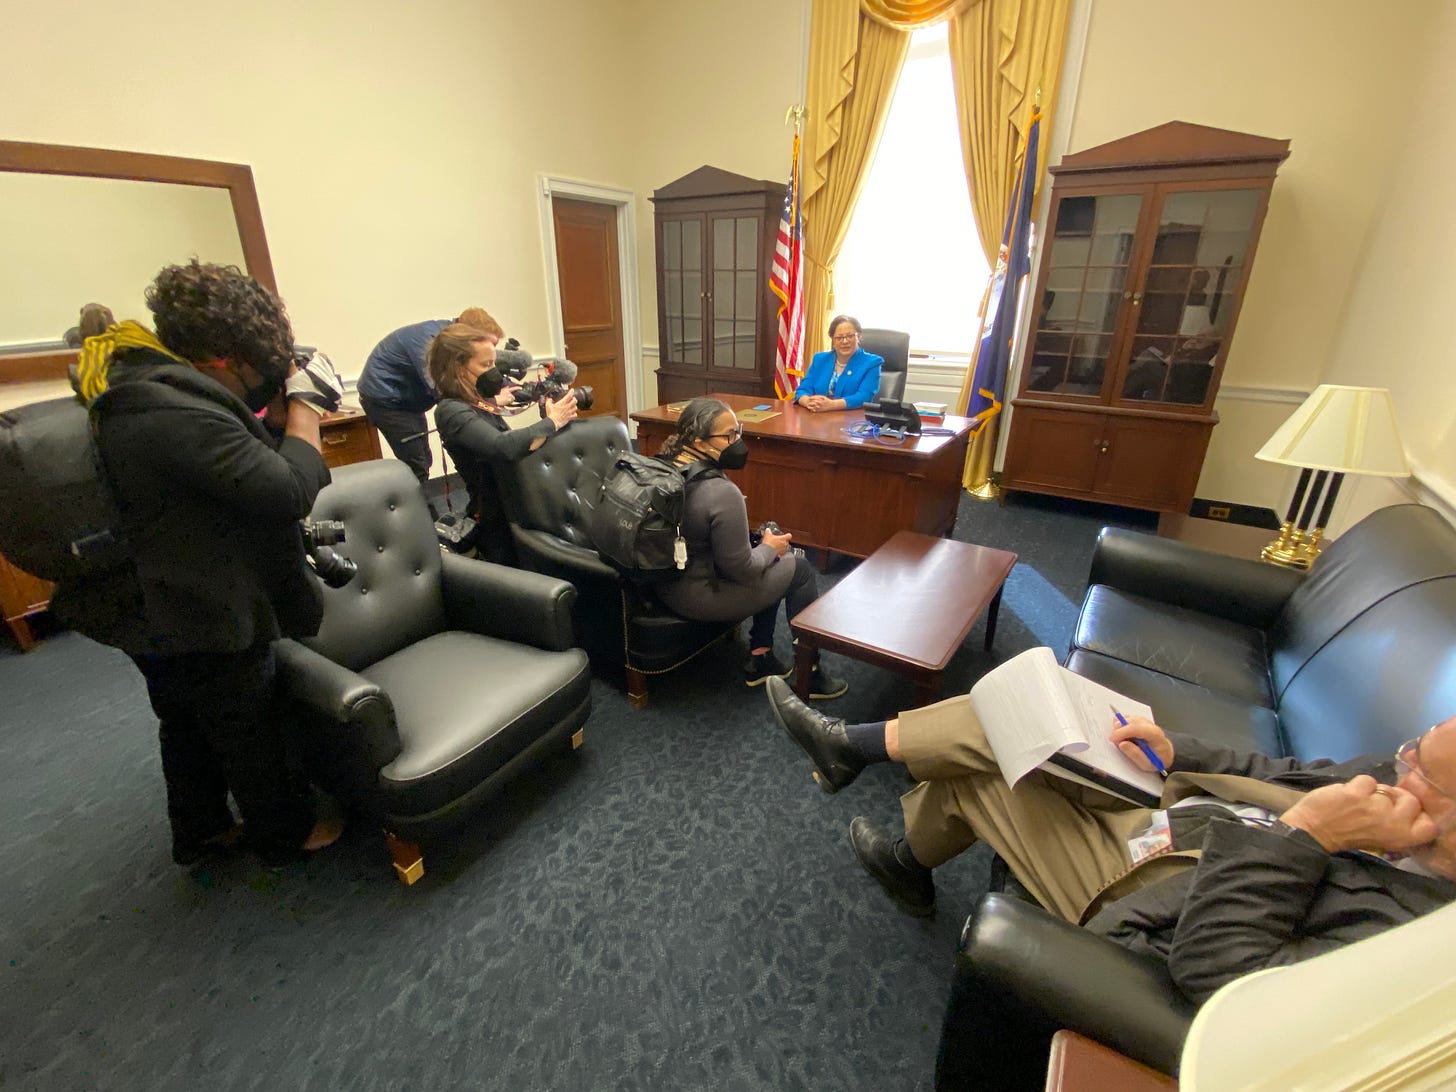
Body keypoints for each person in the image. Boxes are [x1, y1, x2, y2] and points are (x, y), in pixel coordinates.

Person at [766, 678, 1456, 1003]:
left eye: (1423, 772)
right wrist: (1175, 746)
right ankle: (861, 773)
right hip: (1179, 804)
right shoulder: (1385, 776)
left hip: (1163, 889)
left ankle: (858, 767)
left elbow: (1225, 978)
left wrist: (1306, 835)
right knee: (1014, 714)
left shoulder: (1421, 940)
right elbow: (1271, 771)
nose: (1396, 768)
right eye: (1411, 749)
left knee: (986, 771)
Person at [53, 260, 347, 867]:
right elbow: (288, 488)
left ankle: (201, 829)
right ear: (220, 357)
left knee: (187, 717)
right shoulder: (167, 409)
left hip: (155, 588)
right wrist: (308, 404)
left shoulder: (151, 385)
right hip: (192, 600)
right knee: (247, 719)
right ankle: (286, 834)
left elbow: (230, 460)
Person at [653, 398, 847, 698]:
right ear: (699, 442)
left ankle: (762, 656)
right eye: (729, 436)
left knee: (767, 544)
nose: (738, 442)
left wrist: (766, 548)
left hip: (665, 583)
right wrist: (771, 548)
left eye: (738, 431)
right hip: (698, 596)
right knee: (800, 568)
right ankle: (811, 674)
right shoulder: (721, 491)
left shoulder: (662, 464)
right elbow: (743, 570)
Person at [431, 323, 578, 565]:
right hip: (494, 516)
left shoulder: (479, 401)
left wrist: (549, 421)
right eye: (486, 365)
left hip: (515, 502)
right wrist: (553, 422)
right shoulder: (451, 411)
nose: (494, 373)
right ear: (458, 367)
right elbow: (503, 447)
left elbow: (521, 446)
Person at [356, 308, 502, 509]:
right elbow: (442, 387)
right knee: (416, 465)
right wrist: (489, 399)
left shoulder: (448, 338)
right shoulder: (430, 342)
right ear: (470, 336)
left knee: (423, 458)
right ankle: (426, 527)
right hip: (387, 400)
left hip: (407, 398)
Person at [791, 315, 883, 413]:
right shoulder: (820, 359)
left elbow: (864, 397)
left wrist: (831, 405)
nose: (844, 341)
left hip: (851, 420)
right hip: (818, 417)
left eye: (850, 336)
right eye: (839, 337)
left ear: (859, 336)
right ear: (833, 340)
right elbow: (802, 389)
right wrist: (808, 402)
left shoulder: (872, 363)